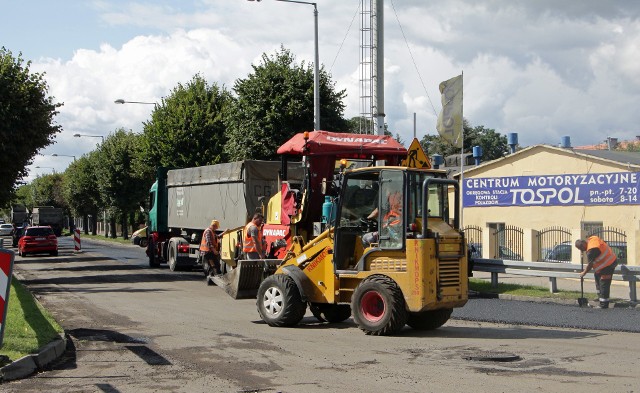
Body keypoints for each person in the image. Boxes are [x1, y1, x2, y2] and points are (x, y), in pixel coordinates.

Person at [575, 236, 618, 309]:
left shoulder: (591, 251)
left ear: (583, 244)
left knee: (604, 284)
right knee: (597, 279)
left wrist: (583, 273)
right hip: (603, 265)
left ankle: (604, 304)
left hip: (608, 264)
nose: (581, 251)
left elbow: (590, 265)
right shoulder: (592, 239)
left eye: (580, 249)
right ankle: (600, 297)